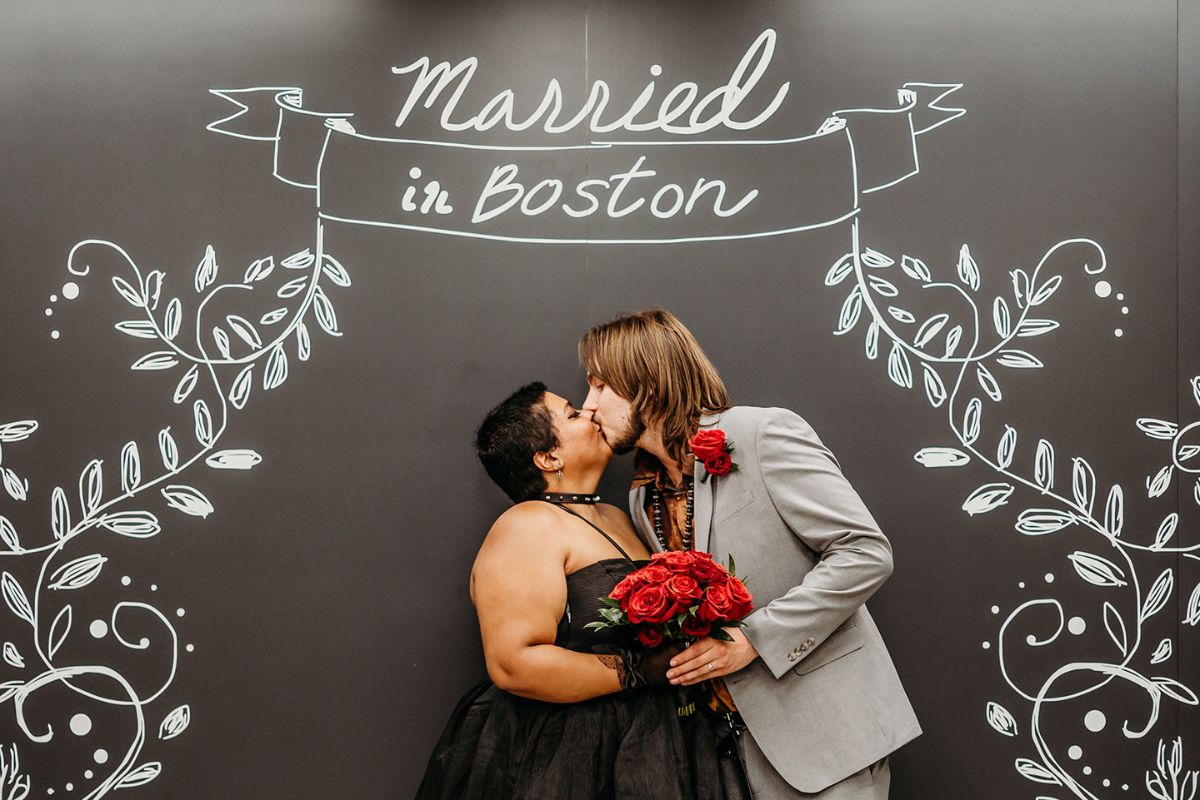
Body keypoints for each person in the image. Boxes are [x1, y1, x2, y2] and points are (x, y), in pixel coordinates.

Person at [579, 309, 922, 800]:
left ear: (645, 383)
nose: (588, 406)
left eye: (599, 386)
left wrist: (754, 640)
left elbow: (865, 552)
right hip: (722, 755)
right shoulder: (642, 495)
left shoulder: (762, 434)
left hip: (826, 740)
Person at [415, 381, 750, 800]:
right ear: (548, 456)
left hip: (658, 737)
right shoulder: (528, 524)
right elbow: (514, 662)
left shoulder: (617, 513)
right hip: (568, 749)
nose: (591, 412)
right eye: (573, 413)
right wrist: (636, 669)